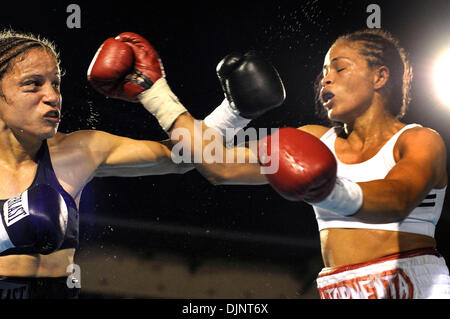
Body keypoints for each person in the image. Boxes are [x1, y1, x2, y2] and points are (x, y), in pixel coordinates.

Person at [89, 28, 449, 299]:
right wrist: (156, 94)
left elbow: (399, 196)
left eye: (339, 69)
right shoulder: (311, 139)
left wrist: (329, 190)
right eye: (324, 70)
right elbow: (217, 165)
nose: (325, 79)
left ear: (379, 77)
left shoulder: (419, 139)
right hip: (338, 287)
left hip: (414, 284)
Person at [0, 29, 196, 299]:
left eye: (55, 84)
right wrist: (4, 231)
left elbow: (184, 157)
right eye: (33, 84)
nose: (52, 96)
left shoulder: (80, 151)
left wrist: (160, 97)